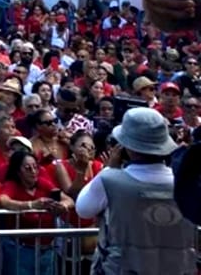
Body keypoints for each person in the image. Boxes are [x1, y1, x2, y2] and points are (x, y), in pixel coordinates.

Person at [76, 107, 195, 274]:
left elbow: (83, 209)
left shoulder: (110, 180)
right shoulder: (186, 183)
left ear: (127, 147)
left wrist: (109, 168)